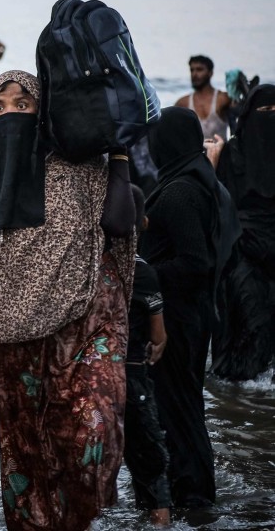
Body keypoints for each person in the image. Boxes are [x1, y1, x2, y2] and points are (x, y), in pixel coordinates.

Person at [0, 70, 136, 530]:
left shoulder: (82, 170)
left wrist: (117, 152)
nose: (8, 113)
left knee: (93, 436)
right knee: (28, 455)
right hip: (19, 347)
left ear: (44, 109)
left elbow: (117, 223)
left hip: (85, 332)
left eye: (22, 103)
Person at [140, 106, 238, 509]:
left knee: (179, 409)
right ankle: (190, 492)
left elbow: (195, 263)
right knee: (183, 407)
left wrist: (143, 274)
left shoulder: (180, 191)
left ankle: (194, 498)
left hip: (178, 320)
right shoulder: (195, 179)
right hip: (189, 316)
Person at [212, 85, 275, 381]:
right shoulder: (232, 154)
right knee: (251, 321)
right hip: (242, 253)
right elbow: (222, 205)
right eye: (265, 112)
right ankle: (237, 398)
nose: (270, 119)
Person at [123, 187, 172, 527]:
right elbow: (158, 337)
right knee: (150, 460)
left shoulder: (85, 265)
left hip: (87, 377)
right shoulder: (142, 271)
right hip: (131, 375)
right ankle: (159, 520)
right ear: (143, 222)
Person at [175, 55, 231, 141]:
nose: (194, 74)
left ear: (210, 73)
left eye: (199, 69)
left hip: (222, 152)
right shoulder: (183, 103)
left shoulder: (223, 98)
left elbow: (241, 117)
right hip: (196, 154)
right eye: (192, 70)